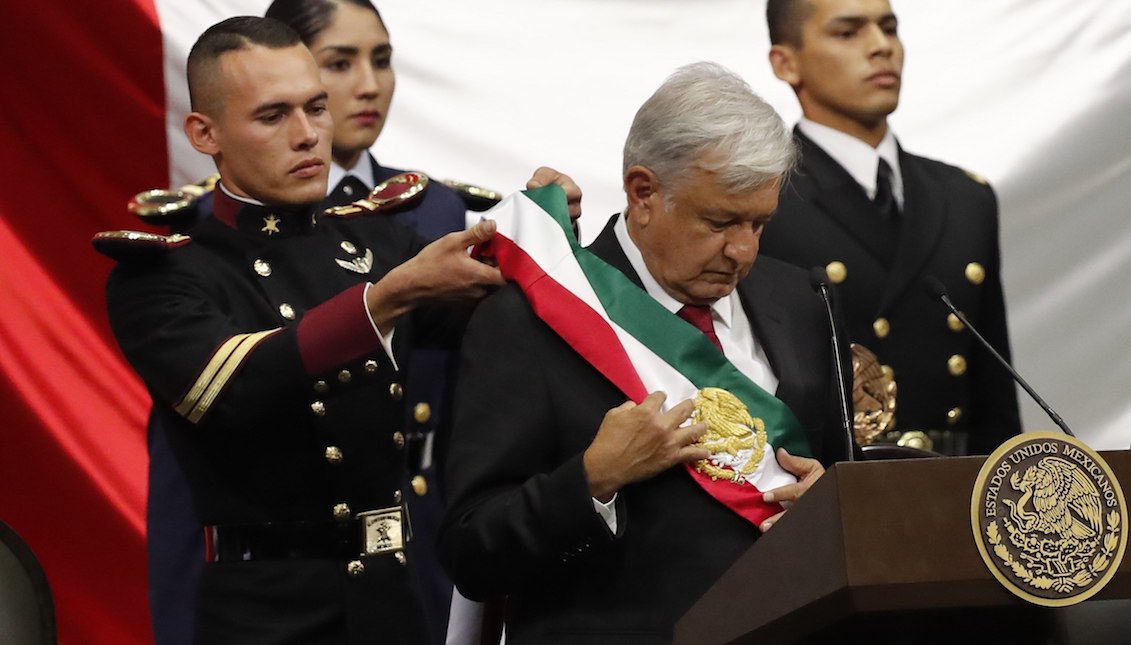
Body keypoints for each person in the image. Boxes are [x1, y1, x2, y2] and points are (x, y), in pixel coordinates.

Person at [100, 16, 574, 644]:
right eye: (273, 116)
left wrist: (537, 230)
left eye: (316, 108)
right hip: (265, 609)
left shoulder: (374, 237)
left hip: (393, 596)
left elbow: (488, 314)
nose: (308, 135)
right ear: (204, 133)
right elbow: (233, 388)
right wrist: (385, 300)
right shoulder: (163, 273)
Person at [437, 62, 852, 644]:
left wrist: (830, 507)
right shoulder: (529, 318)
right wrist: (592, 480)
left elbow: (843, 478)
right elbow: (471, 548)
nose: (742, 250)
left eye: (760, 223)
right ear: (644, 192)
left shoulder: (801, 298)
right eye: (721, 221)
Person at [760, 0, 1021, 456]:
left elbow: (993, 396)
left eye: (889, 28)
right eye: (848, 32)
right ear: (786, 63)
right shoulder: (765, 197)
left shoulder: (964, 197)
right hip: (828, 490)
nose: (882, 47)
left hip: (958, 488)